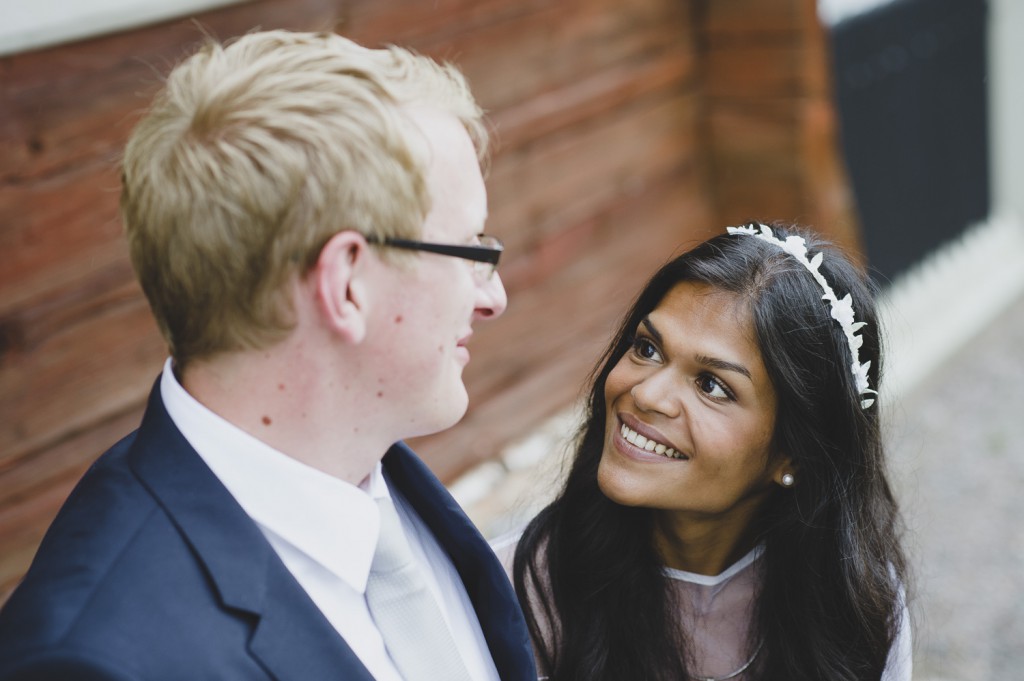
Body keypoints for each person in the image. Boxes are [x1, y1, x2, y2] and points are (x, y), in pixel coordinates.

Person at [0, 30, 536, 681]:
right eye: (472, 250)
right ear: (347, 284)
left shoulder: (367, 461)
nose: (494, 297)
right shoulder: (96, 658)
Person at [504, 223, 911, 681]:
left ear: (793, 455)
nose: (646, 394)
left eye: (711, 385)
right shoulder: (514, 593)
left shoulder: (855, 611)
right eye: (647, 348)